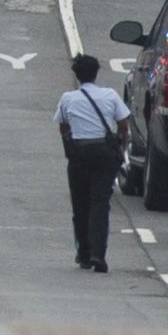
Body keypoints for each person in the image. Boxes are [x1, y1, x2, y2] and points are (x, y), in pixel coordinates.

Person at [55, 53, 130, 273]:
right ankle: (99, 254)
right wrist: (121, 146)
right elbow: (123, 124)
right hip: (105, 153)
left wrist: (69, 147)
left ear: (77, 75)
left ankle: (84, 253)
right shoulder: (110, 95)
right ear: (97, 73)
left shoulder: (68, 98)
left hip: (79, 153)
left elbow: (62, 125)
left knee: (80, 204)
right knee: (100, 203)